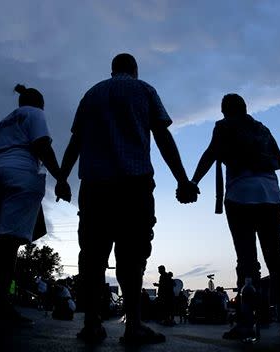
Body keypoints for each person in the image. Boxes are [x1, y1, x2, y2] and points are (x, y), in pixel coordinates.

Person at [56, 53, 197, 345]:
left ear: (112, 70)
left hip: (94, 186)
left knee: (92, 257)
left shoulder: (91, 95)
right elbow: (162, 137)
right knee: (132, 256)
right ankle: (133, 325)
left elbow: (75, 142)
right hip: (134, 185)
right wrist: (182, 179)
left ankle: (92, 323)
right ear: (134, 69)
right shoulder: (144, 90)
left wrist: (61, 178)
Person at [190, 93, 280, 338]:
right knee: (276, 260)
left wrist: (193, 181)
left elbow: (210, 154)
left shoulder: (224, 126)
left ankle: (246, 322)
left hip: (240, 195)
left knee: (246, 260)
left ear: (224, 111)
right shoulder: (263, 129)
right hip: (271, 195)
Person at [0, 84, 63, 325]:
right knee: (9, 243)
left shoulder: (4, 122)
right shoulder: (35, 114)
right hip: (19, 173)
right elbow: (42, 145)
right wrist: (61, 178)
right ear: (40, 103)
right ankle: (1, 305)